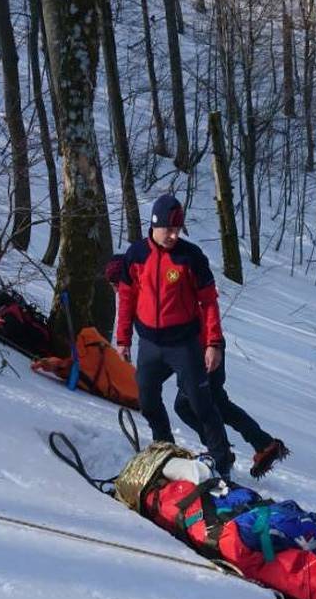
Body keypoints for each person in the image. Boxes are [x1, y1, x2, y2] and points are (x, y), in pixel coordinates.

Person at [114, 194, 233, 476]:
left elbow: (209, 302)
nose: (173, 235)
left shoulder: (190, 257)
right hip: (150, 345)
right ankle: (164, 448)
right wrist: (122, 339)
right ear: (154, 224)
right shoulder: (136, 255)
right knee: (147, 399)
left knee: (200, 403)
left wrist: (213, 343)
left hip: (185, 344)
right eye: (168, 228)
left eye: (178, 229)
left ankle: (222, 460)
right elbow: (127, 298)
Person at [173, 345, 289, 479]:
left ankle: (222, 451)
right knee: (214, 404)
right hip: (201, 345)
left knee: (188, 406)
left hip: (202, 346)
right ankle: (260, 444)